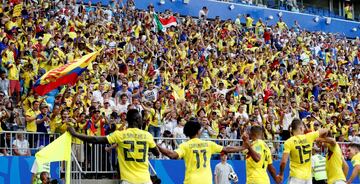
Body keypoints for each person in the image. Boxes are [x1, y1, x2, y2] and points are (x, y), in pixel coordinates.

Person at [67, 109, 160, 184]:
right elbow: (157, 153)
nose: (142, 120)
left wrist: (75, 134)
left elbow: (95, 140)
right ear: (137, 120)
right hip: (145, 179)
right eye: (140, 118)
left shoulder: (120, 135)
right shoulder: (147, 135)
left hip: (128, 180)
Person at [157, 118, 245, 184]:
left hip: (191, 181)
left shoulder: (185, 145)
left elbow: (172, 155)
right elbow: (227, 149)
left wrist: (156, 145)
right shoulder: (208, 144)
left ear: (186, 132)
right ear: (198, 131)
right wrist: (243, 147)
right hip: (206, 180)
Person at [277, 119, 328, 184]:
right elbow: (325, 130)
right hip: (308, 177)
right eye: (303, 127)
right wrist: (320, 140)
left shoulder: (289, 142)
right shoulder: (310, 136)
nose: (304, 129)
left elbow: (283, 162)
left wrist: (281, 174)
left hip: (296, 177)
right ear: (301, 128)